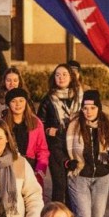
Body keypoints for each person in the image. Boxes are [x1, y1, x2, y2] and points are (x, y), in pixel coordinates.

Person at [37, 64, 83, 204]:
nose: (61, 78)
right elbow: (40, 123)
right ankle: (55, 216)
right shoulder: (48, 99)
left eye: (64, 74)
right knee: (60, 185)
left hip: (76, 146)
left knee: (74, 187)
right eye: (57, 75)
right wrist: (50, 130)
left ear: (71, 77)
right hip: (56, 147)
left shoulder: (80, 97)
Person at [2, 87, 48, 185]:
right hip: (10, 166)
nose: (18, 104)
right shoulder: (2, 124)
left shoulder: (36, 123)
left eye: (21, 100)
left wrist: (40, 171)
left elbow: (42, 149)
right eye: (13, 101)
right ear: (8, 104)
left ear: (26, 102)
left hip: (32, 167)